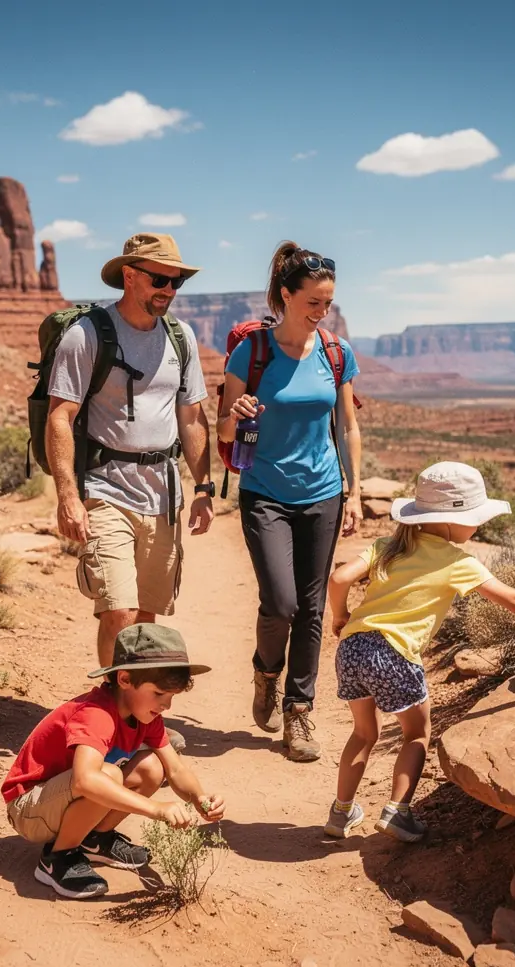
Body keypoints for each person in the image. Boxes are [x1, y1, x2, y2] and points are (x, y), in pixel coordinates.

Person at [324, 461, 515, 841]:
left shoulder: (387, 546)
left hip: (353, 648)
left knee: (364, 733)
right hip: (394, 653)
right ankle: (397, 812)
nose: (479, 526)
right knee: (416, 734)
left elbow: (338, 578)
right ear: (450, 521)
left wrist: (340, 616)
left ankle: (340, 814)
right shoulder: (456, 562)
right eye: (474, 518)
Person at [46, 233, 215, 750]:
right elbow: (60, 415)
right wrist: (68, 496)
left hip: (162, 496)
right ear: (129, 275)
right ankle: (106, 724)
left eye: (176, 281)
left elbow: (191, 418)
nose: (170, 288)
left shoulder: (181, 338)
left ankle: (138, 723)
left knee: (147, 616)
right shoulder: (86, 335)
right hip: (105, 489)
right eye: (160, 278)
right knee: (117, 610)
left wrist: (204, 486)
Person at [217, 241, 363, 762]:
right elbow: (225, 427)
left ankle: (299, 714)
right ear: (286, 294)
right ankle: (265, 672)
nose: (322, 313)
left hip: (323, 491)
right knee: (280, 603)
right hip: (266, 493)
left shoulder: (335, 352)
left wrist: (355, 490)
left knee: (312, 607)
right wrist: (236, 410)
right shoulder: (251, 352)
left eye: (328, 303)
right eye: (313, 303)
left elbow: (347, 425)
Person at [1, 624, 225, 899]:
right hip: (29, 808)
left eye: (171, 697)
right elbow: (85, 780)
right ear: (124, 679)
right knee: (105, 776)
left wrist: (199, 799)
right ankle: (57, 858)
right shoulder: (96, 714)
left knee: (152, 767)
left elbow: (175, 769)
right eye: (158, 694)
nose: (166, 705)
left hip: (60, 798)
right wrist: (157, 809)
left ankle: (93, 839)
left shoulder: (147, 717)